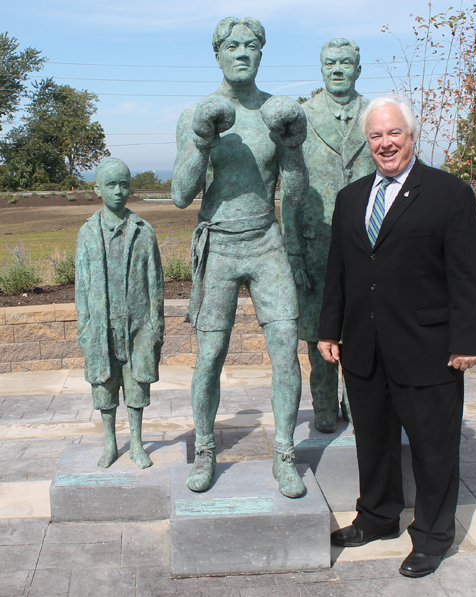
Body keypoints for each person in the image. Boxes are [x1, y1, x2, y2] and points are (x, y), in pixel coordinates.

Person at [318, 97, 476, 577]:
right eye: (376, 136)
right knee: (373, 442)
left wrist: (467, 339)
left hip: (428, 349)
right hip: (364, 349)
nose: (385, 143)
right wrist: (328, 328)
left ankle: (433, 537)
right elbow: (340, 270)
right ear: (366, 141)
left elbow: (469, 273)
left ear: (411, 137)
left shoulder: (449, 193)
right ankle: (376, 517)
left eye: (394, 134)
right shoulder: (350, 198)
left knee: (434, 449)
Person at [171, 17, 309, 498]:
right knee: (209, 357)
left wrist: (291, 147)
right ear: (218, 53)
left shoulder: (276, 112)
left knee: (286, 353)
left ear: (261, 53)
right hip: (220, 246)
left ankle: (286, 454)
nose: (242, 53)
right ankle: (206, 450)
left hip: (266, 241)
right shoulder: (196, 113)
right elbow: (180, 195)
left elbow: (293, 196)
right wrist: (202, 140)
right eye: (232, 45)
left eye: (252, 45)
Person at [281, 38, 374, 433]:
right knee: (320, 330)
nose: (338, 69)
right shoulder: (302, 117)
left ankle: (357, 399)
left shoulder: (376, 115)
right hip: (316, 243)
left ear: (358, 68)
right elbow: (289, 192)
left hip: (368, 243)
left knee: (364, 324)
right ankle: (322, 403)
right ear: (321, 69)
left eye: (345, 63)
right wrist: (295, 255)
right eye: (330, 63)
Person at [76, 158, 164, 469]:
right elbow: (81, 286)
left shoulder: (143, 231)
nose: (118, 191)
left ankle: (137, 443)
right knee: (105, 384)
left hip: (138, 324)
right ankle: (111, 443)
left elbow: (155, 282)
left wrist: (156, 326)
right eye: (111, 185)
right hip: (102, 326)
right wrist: (84, 328)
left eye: (124, 184)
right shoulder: (87, 233)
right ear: (97, 188)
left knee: (138, 384)